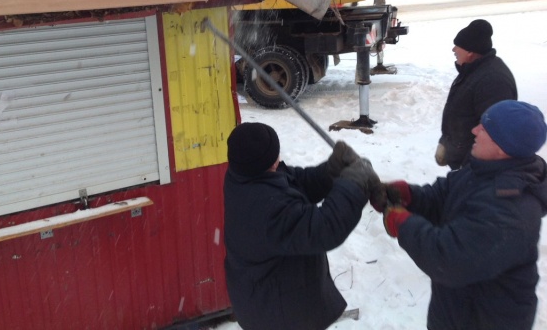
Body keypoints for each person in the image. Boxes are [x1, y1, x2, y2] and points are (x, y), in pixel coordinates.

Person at [379, 100, 547, 330]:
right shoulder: (487, 168)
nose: (474, 130)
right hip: (458, 311)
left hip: (485, 321)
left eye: (485, 128)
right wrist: (410, 196)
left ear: (502, 147)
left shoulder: (511, 209)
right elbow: (447, 194)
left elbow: (448, 259)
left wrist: (404, 225)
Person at [223, 122, 384, 330]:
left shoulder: (244, 177)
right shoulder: (266, 207)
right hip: (277, 316)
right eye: (276, 157)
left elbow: (293, 183)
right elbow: (324, 227)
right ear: (270, 163)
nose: (279, 161)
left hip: (266, 297)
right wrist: (355, 184)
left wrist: (331, 171)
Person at [436, 19, 517, 170]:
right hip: (464, 159)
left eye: (458, 46)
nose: (454, 49)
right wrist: (446, 143)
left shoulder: (493, 81)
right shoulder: (473, 70)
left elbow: (493, 132)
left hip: (475, 165)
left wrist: (470, 168)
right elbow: (462, 114)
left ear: (470, 51)